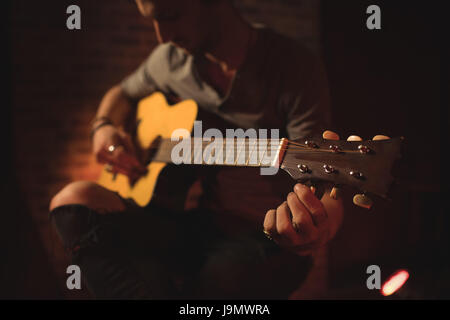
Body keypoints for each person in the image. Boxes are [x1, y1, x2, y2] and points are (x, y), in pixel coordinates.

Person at [49, 0, 361, 299]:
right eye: (152, 20)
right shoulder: (170, 60)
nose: (162, 36)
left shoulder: (293, 66)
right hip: (199, 225)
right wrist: (103, 126)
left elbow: (322, 185)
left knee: (220, 280)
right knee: (73, 201)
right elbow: (121, 94)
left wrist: (317, 230)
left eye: (170, 15)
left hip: (268, 237)